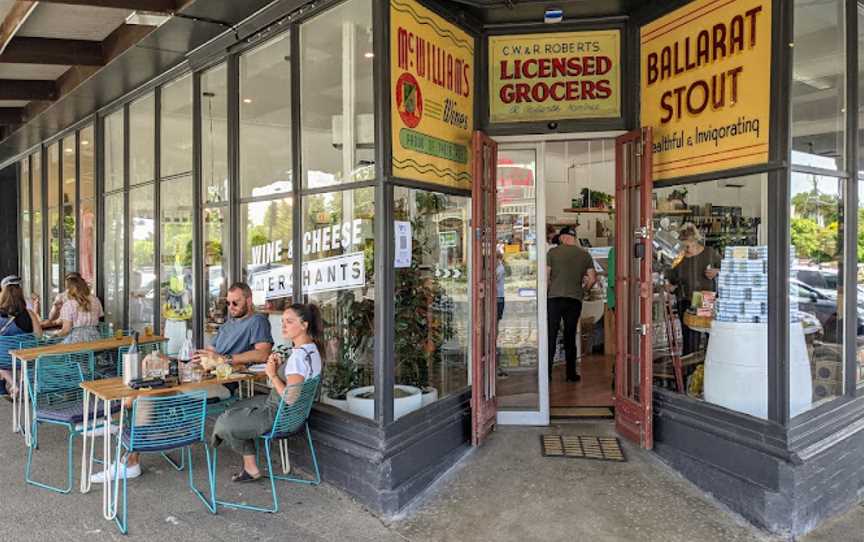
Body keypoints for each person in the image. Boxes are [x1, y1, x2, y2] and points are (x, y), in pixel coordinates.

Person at [211, 304, 324, 482]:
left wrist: (272, 374)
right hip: (295, 415)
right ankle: (250, 467)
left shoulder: (298, 358)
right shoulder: (312, 350)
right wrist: (279, 368)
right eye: (282, 321)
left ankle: (251, 468)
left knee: (225, 422)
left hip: (281, 416)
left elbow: (290, 398)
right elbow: (296, 384)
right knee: (236, 407)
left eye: (289, 321)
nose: (284, 326)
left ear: (304, 325)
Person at [547, 226, 596, 382]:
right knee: (570, 336)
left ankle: (546, 374)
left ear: (562, 238)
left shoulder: (552, 253)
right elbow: (592, 278)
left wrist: (548, 290)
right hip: (574, 299)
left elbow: (546, 275)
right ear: (574, 238)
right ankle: (571, 374)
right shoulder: (584, 254)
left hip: (554, 298)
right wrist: (583, 291)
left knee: (551, 335)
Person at [193, 282, 273, 377]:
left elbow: (262, 354)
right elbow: (211, 350)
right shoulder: (226, 325)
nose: (231, 307)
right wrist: (201, 357)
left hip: (233, 378)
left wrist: (226, 359)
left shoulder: (257, 320)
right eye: (228, 303)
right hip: (214, 374)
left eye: (235, 303)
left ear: (249, 301)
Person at [666, 223, 720, 355]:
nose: (686, 249)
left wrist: (716, 272)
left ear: (696, 240)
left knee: (709, 335)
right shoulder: (680, 258)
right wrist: (670, 286)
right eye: (683, 245)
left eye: (688, 245)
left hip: (704, 297)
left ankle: (706, 367)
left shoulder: (709, 253)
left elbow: (725, 270)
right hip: (684, 298)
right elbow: (671, 279)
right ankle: (690, 371)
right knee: (689, 338)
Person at [0, 275, 43, 398]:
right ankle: (23, 385)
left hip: (3, 360)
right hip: (25, 358)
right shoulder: (29, 314)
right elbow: (39, 335)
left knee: (3, 362)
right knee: (24, 361)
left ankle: (14, 384)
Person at [54, 275, 103, 344]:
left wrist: (54, 336)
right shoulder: (95, 300)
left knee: (51, 352)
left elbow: (66, 330)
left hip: (76, 342)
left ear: (69, 289)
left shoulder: (69, 305)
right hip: (95, 339)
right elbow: (99, 316)